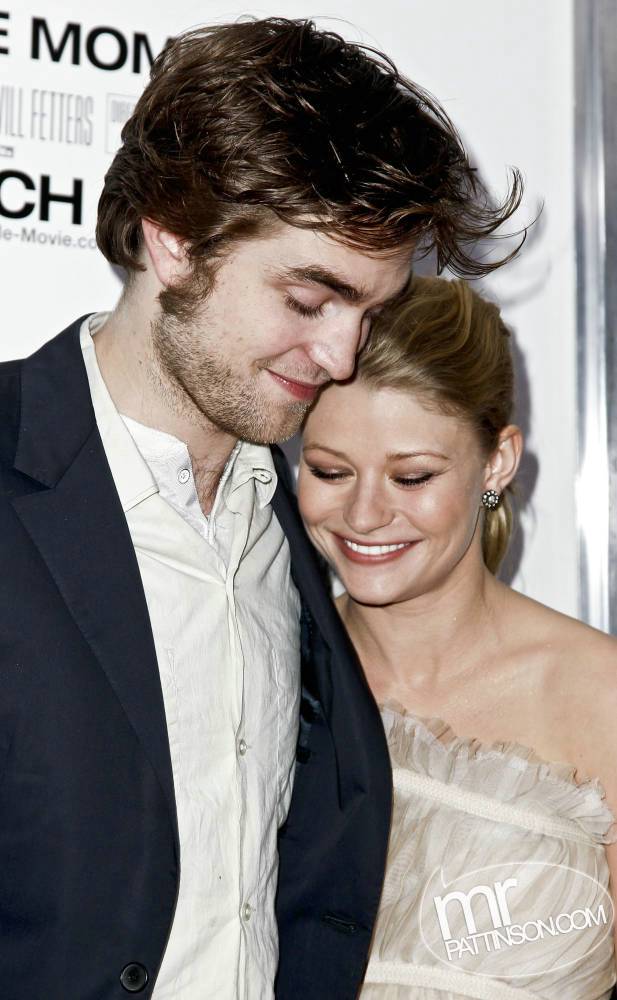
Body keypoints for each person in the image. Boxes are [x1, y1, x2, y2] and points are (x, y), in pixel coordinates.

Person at [0, 18, 522, 1000]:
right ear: (173, 237)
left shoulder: (304, 527)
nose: (340, 357)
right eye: (309, 299)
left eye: (368, 313)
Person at [298, 275, 617, 999]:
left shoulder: (599, 696)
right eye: (329, 471)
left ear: (496, 462)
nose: (364, 514)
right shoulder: (263, 672)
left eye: (412, 477)